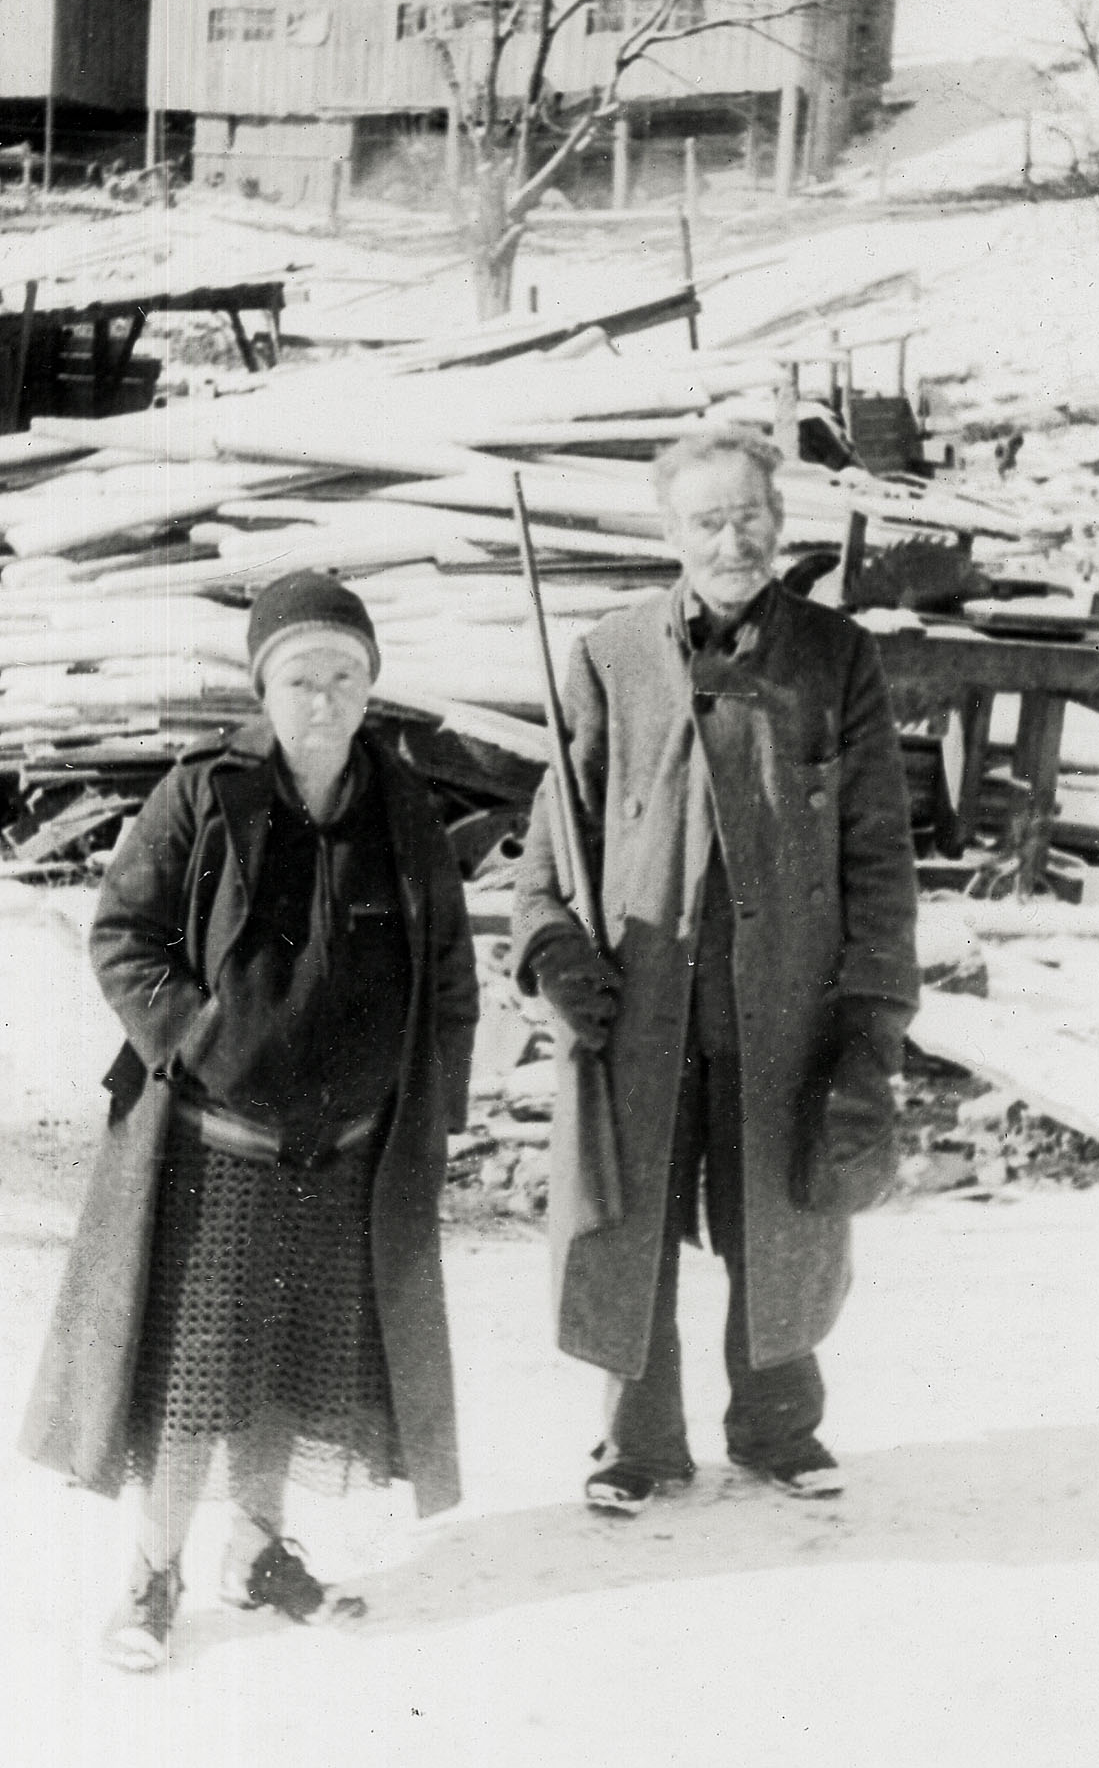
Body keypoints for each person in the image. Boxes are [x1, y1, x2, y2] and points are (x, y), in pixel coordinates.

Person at [20, 571, 479, 1668]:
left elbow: (450, 973)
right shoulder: (205, 793)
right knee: (198, 1377)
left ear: (371, 688)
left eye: (346, 676)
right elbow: (122, 935)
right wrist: (198, 1037)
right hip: (219, 1146)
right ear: (262, 689)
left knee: (290, 1369)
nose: (324, 698)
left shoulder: (403, 809)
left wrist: (430, 1106)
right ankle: (154, 1569)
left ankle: (259, 1549)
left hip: (345, 1150)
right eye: (301, 677)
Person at [512, 426, 919, 1514]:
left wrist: (871, 1028)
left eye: (749, 517)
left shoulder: (837, 658)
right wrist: (554, 951)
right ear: (671, 533)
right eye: (708, 521)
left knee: (777, 1215)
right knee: (631, 1220)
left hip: (784, 1002)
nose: (732, 540)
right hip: (641, 1005)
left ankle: (780, 1428)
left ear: (779, 524)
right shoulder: (610, 655)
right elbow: (549, 851)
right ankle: (637, 1445)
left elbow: (880, 858)